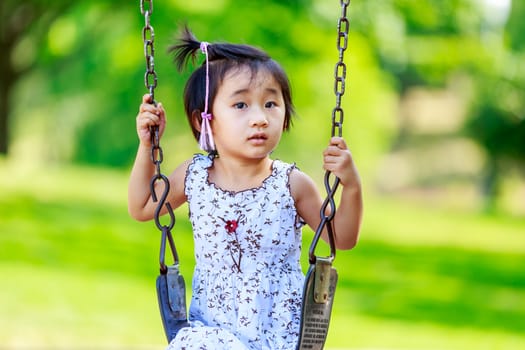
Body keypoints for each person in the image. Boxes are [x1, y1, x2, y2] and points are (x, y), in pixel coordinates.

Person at [128, 27, 363, 350]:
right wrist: (146, 145)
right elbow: (141, 206)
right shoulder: (195, 175)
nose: (260, 118)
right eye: (241, 105)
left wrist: (350, 186)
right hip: (208, 333)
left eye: (270, 104)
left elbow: (343, 237)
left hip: (277, 337)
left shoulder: (291, 184)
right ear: (204, 120)